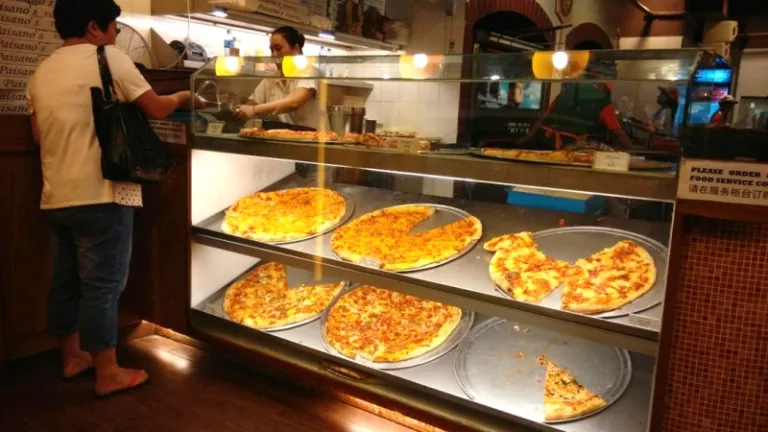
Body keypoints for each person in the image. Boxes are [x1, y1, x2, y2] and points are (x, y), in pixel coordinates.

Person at [27, 0, 199, 397]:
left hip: (56, 195)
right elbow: (156, 108)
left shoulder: (42, 70)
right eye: (114, 27)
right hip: (102, 192)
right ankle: (108, 372)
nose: (117, 34)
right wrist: (181, 98)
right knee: (103, 286)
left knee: (65, 282)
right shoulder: (108, 58)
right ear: (94, 27)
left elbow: (38, 136)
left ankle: (73, 358)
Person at [235, 26, 327, 130]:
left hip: (314, 137)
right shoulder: (271, 79)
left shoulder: (309, 71)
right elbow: (252, 104)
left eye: (278, 48)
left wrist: (254, 109)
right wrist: (240, 109)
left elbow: (294, 102)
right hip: (285, 136)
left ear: (296, 49)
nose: (274, 54)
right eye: (271, 50)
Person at [517, 81, 636, 150]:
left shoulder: (566, 92)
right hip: (566, 147)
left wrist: (525, 138)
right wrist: (633, 150)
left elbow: (542, 120)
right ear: (604, 88)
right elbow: (617, 132)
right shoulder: (603, 103)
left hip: (542, 141)